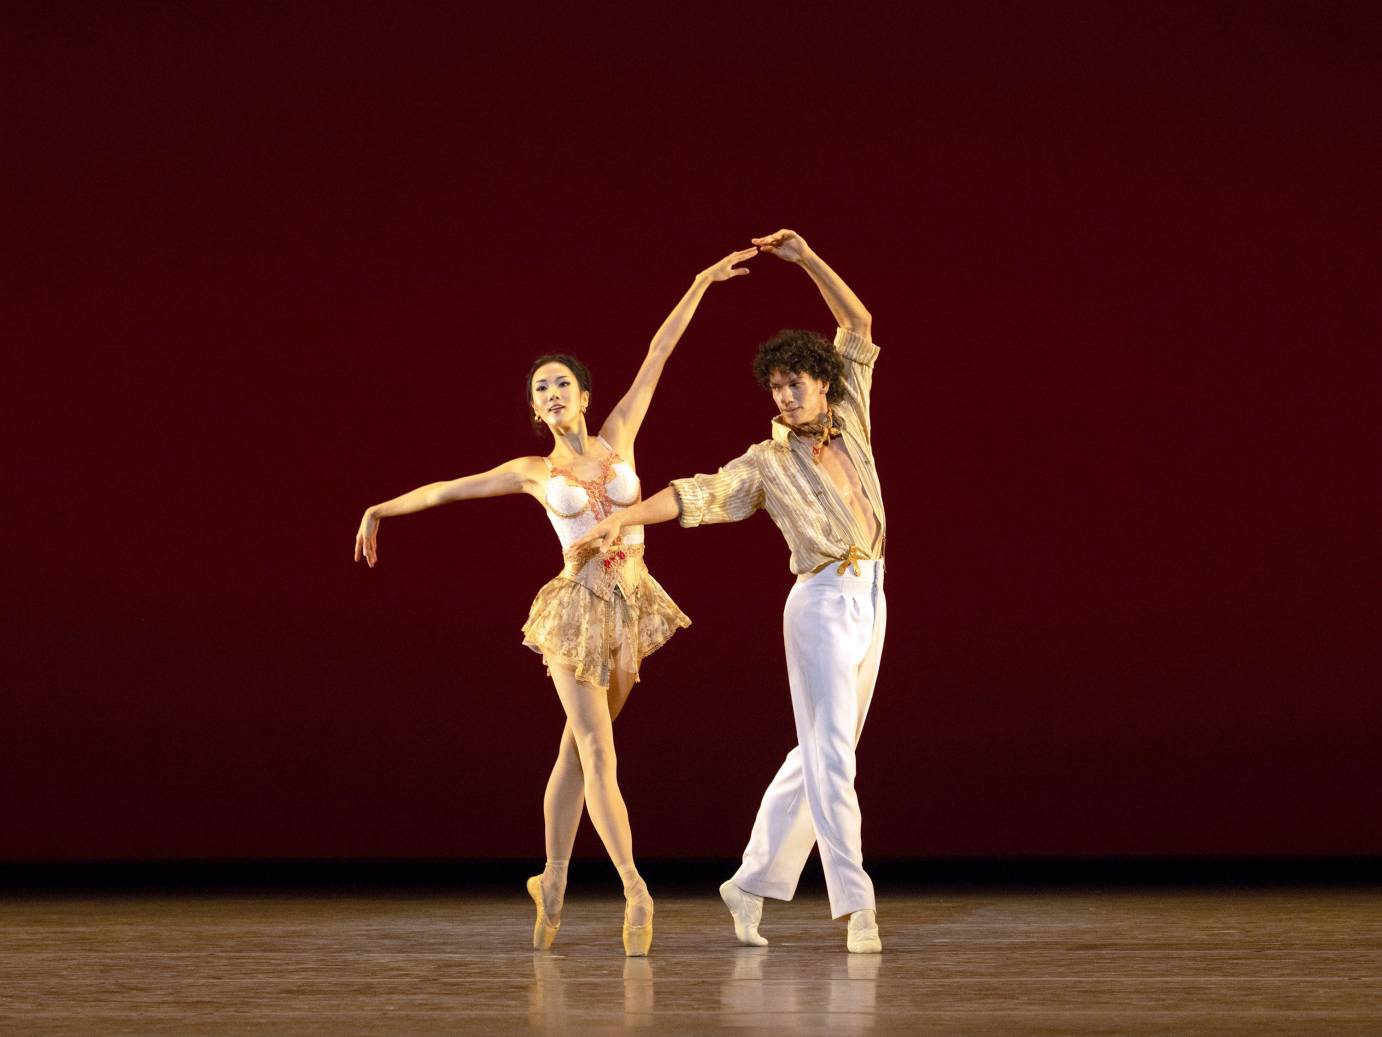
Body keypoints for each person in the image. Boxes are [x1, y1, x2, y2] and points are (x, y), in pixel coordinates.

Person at [353, 246, 758, 955]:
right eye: (540, 388)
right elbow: (445, 490)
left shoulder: (619, 435)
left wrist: (697, 282)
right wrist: (380, 509)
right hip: (575, 615)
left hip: (629, 611)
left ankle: (554, 880)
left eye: (561, 382)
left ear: (584, 395)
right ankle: (635, 890)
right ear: (536, 408)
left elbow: (661, 351)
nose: (551, 393)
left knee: (578, 750)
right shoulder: (534, 471)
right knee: (599, 752)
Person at [573, 229, 887, 953]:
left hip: (872, 591)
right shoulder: (762, 463)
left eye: (793, 382)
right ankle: (857, 905)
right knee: (834, 755)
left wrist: (808, 260)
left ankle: (747, 883)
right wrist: (623, 514)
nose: (782, 394)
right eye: (774, 387)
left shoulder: (853, 418)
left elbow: (860, 327)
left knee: (820, 751)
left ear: (821, 381)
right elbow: (694, 495)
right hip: (818, 605)